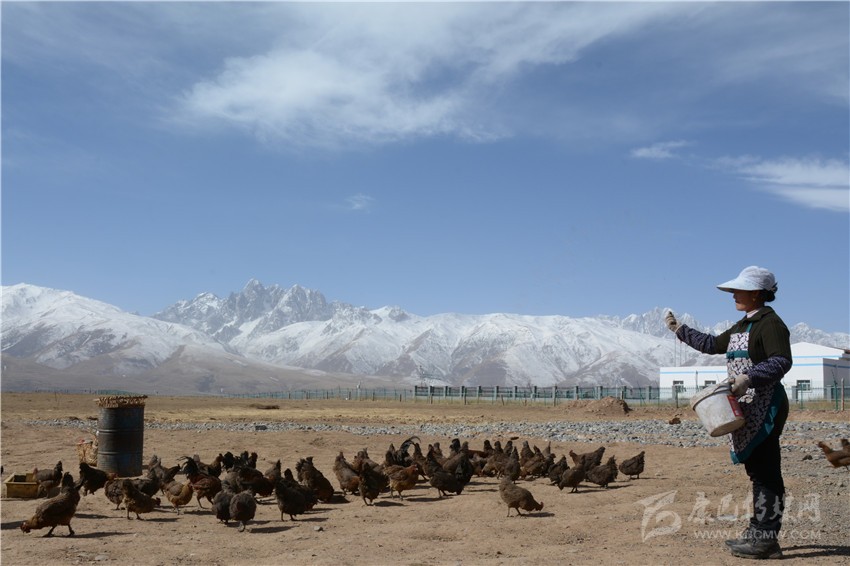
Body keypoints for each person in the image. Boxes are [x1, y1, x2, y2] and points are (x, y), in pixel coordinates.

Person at [665, 266, 791, 560]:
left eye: (739, 290)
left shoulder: (770, 324)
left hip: (766, 405)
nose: (733, 294)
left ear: (757, 293)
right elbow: (711, 344)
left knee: (766, 473)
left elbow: (781, 361)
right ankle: (758, 532)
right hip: (747, 404)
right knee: (757, 472)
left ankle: (766, 540)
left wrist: (749, 377)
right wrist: (679, 329)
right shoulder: (743, 326)